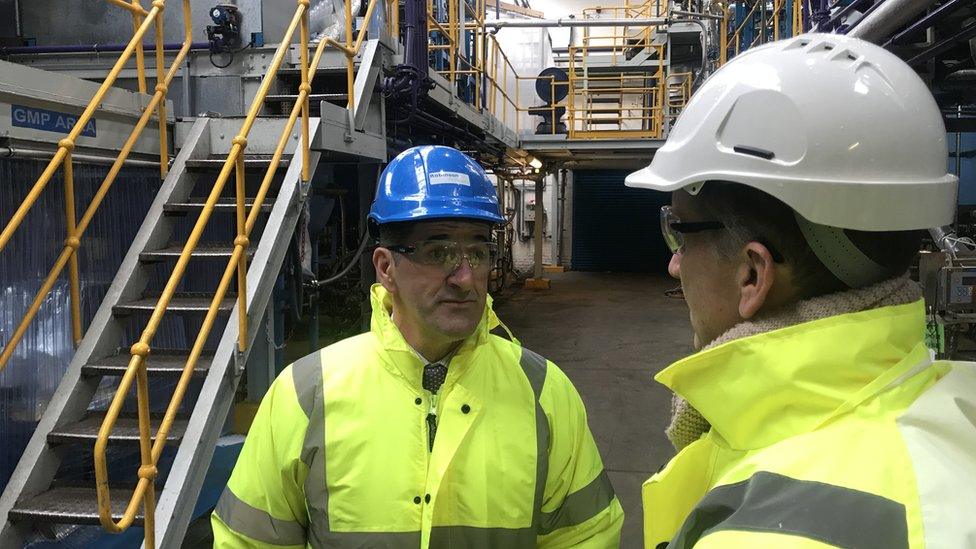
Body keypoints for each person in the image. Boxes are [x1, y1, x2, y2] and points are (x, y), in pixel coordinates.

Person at [626, 34, 976, 548]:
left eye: (679, 231)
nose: (674, 264)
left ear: (753, 274)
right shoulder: (956, 406)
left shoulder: (761, 534)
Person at [212, 145, 623, 547]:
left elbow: (586, 535)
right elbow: (248, 540)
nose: (465, 278)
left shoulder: (544, 393)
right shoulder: (305, 395)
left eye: (478, 252)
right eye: (439, 251)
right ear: (386, 267)